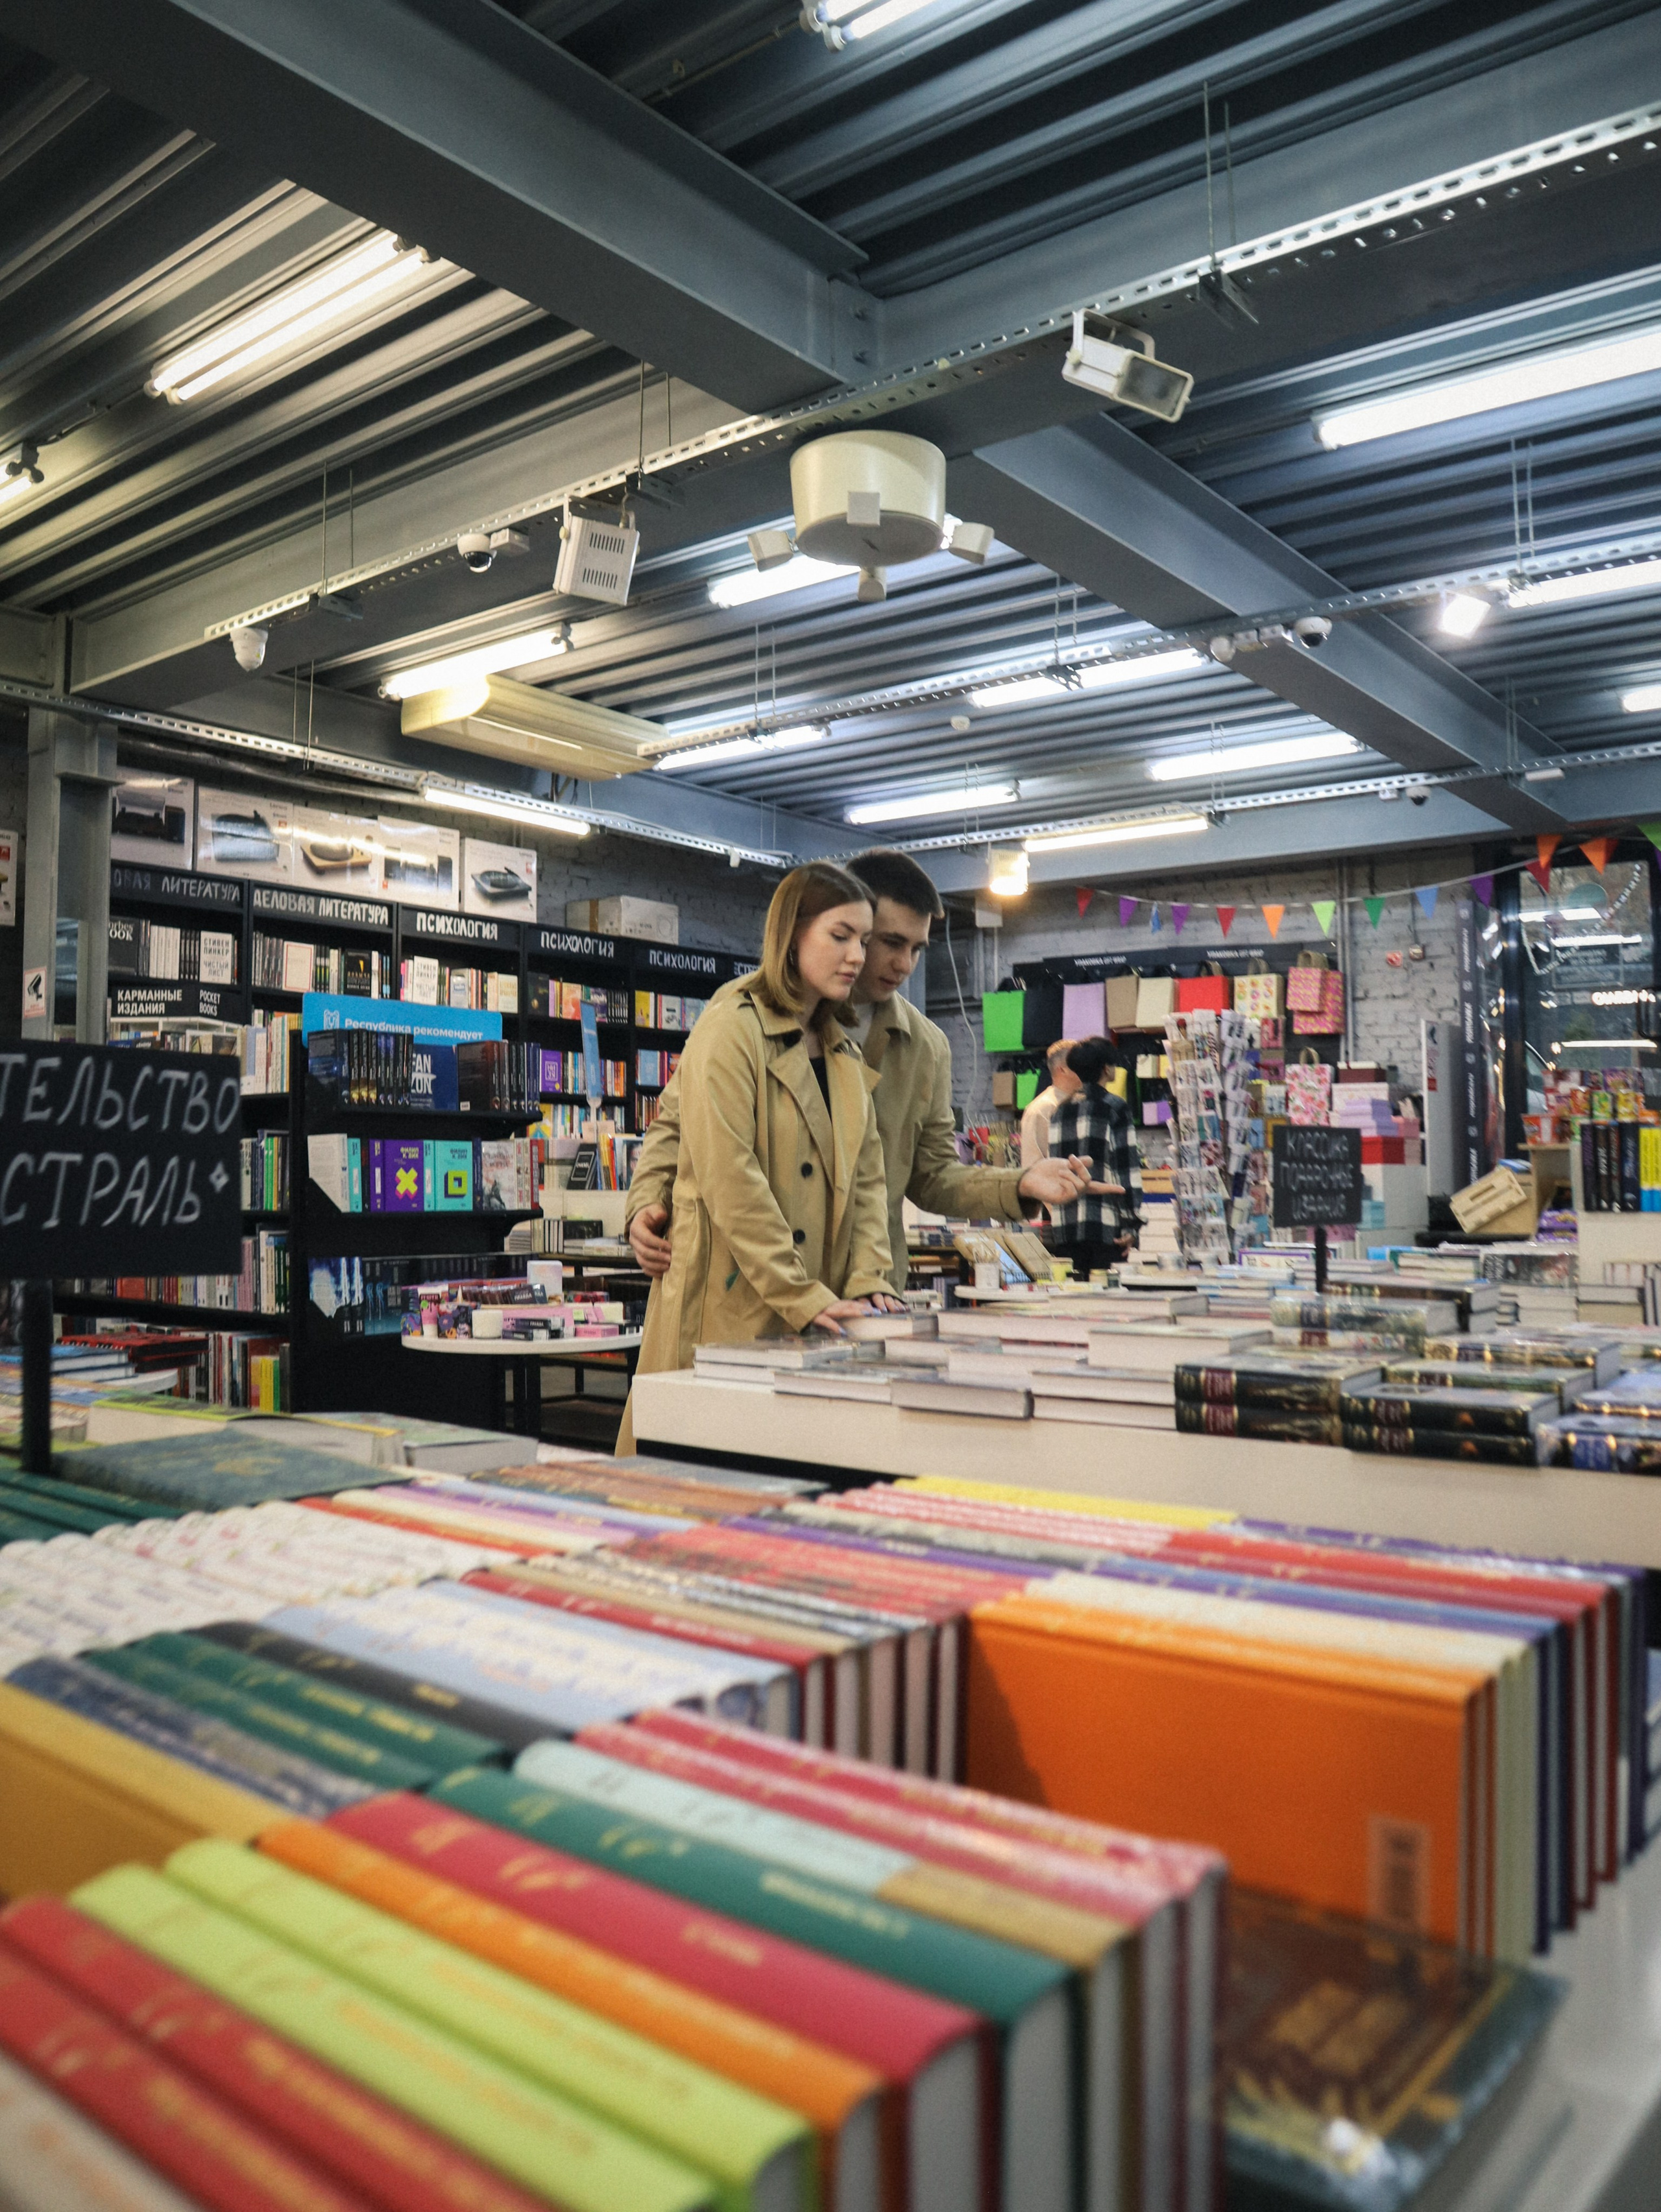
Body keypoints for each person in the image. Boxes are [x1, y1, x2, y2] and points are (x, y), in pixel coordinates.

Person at [628, 849, 1093, 1296]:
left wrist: (1020, 1182)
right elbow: (677, 1122)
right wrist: (647, 1201)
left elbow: (932, 1175)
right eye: (888, 942)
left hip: (868, 1291)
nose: (904, 964)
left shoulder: (925, 1048)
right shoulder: (741, 1015)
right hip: (754, 1285)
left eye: (917, 948)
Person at [618, 861, 901, 1450]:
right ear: (792, 934)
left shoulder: (843, 1049)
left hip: (815, 1307)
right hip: (732, 1299)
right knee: (701, 1478)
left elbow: (869, 1180)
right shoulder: (732, 1028)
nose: (857, 956)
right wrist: (644, 1201)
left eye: (864, 940)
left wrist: (872, 1275)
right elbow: (729, 1177)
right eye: (839, 936)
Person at [1045, 1035, 1142, 1280]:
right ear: (1106, 1069)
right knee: (1106, 1302)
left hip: (1065, 1227)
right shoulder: (1115, 1107)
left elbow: (1055, 1167)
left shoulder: (1060, 1111)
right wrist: (1132, 1224)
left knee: (1074, 1301)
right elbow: (1127, 1169)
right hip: (1107, 1227)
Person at [1019, 1038, 1083, 1169]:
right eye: (1080, 1062)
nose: (1087, 1067)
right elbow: (1033, 1165)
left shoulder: (1085, 1102)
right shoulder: (1042, 1109)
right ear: (1063, 1070)